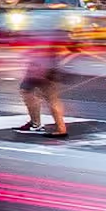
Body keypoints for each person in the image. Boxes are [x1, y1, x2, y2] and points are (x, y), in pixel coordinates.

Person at [17, 10, 77, 138]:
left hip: (42, 68)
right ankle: (45, 125)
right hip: (43, 67)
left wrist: (57, 61)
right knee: (45, 96)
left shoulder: (50, 33)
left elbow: (72, 49)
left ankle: (51, 127)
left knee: (35, 94)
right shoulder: (55, 32)